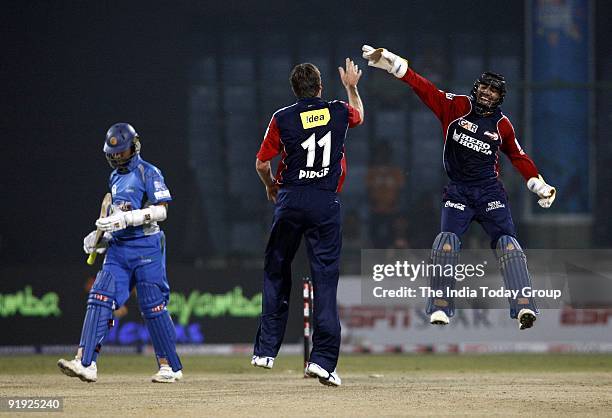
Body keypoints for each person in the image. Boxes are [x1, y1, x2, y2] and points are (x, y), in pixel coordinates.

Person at [362, 45, 556, 330]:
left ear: (500, 98)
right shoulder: (455, 106)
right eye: (484, 88)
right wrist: (394, 65)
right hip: (459, 191)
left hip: (490, 191)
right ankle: (440, 306)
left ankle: (524, 305)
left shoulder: (502, 124)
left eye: (494, 91)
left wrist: (536, 182)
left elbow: (517, 155)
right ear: (476, 88)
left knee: (508, 245)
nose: (487, 93)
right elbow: (424, 88)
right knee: (446, 242)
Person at [251, 59, 364, 386]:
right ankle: (323, 361)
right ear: (320, 87)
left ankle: (265, 351)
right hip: (325, 202)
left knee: (276, 268)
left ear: (294, 90)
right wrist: (352, 87)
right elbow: (360, 115)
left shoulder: (282, 117)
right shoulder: (339, 110)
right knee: (325, 280)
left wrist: (271, 185)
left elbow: (261, 164)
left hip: (291, 199)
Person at [58, 123, 183, 383]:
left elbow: (161, 211)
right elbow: (113, 215)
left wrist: (127, 219)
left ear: (134, 147)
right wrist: (100, 238)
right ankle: (85, 363)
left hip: (147, 247)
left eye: (121, 153)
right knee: (99, 297)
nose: (117, 157)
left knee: (153, 305)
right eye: (113, 154)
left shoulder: (148, 172)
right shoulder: (114, 178)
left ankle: (169, 367)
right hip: (119, 249)